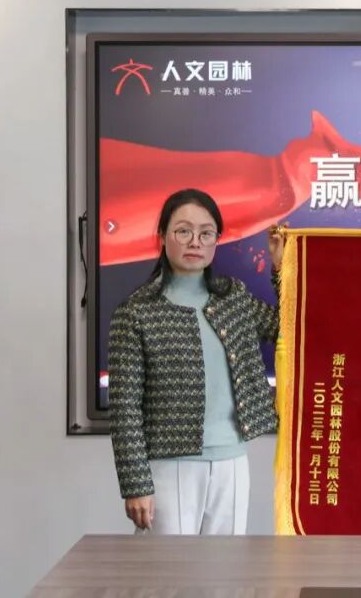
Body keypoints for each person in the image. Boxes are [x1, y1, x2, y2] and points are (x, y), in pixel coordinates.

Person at [107, 188, 284, 535]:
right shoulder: (136, 312)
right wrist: (136, 485)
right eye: (183, 231)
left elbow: (286, 328)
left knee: (226, 567)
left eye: (206, 233)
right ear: (162, 236)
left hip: (232, 460)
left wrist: (280, 268)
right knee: (169, 569)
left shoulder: (233, 297)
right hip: (168, 465)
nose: (195, 242)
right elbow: (124, 408)